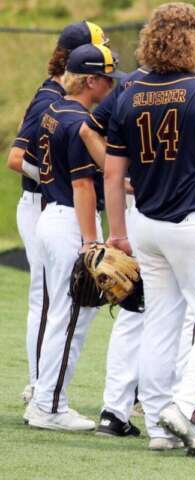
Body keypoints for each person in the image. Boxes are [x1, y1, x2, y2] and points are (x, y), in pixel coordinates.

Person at [103, 2, 195, 457]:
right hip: (193, 221)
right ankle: (184, 410)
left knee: (160, 323)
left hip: (145, 222)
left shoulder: (128, 93)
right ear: (191, 41)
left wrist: (116, 233)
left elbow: (112, 174)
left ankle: (157, 426)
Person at [81, 55, 195, 441]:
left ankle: (128, 411)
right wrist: (124, 183)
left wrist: (124, 186)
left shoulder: (132, 86)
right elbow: (87, 132)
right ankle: (148, 411)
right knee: (163, 315)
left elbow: (91, 133)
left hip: (143, 210)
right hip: (174, 209)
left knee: (149, 313)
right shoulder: (190, 83)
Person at [5, 20, 107, 410]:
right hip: (45, 205)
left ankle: (42, 386)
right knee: (50, 302)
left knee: (51, 300)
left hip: (51, 203)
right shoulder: (51, 98)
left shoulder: (55, 94)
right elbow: (17, 159)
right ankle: (39, 388)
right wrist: (54, 179)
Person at [22, 43, 121, 432]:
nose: (111, 85)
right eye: (108, 78)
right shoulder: (79, 121)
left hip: (50, 215)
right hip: (68, 221)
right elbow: (83, 187)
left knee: (59, 317)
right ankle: (50, 406)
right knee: (71, 320)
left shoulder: (53, 110)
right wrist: (92, 241)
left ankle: (43, 399)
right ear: (91, 80)